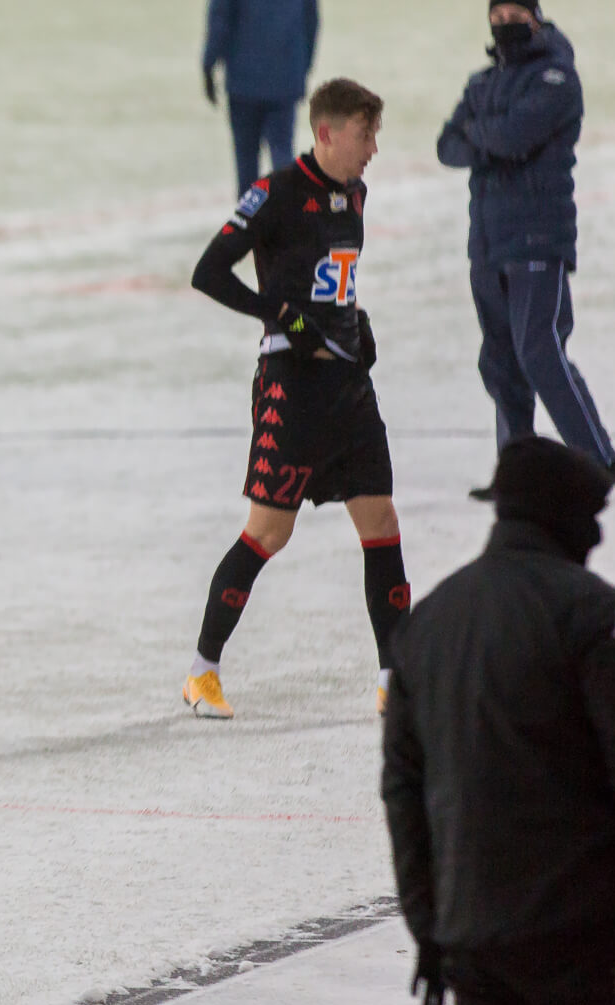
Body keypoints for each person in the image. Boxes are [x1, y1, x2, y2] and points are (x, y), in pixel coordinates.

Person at [381, 436, 615, 1005]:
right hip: (578, 932)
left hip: (473, 937)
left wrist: (429, 924)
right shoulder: (593, 612)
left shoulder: (427, 624)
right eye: (592, 518)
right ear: (562, 518)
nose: (598, 537)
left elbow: (403, 787)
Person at [182, 78, 409, 719]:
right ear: (327, 132)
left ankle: (397, 677)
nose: (372, 150)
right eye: (365, 136)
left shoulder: (355, 194)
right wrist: (281, 317)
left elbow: (334, 277)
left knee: (381, 522)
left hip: (349, 386)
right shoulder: (275, 194)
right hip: (291, 384)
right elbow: (208, 272)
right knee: (268, 532)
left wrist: (353, 321)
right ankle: (202, 672)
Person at [438, 1, 615, 500]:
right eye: (495, 18)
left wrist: (482, 134)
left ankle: (599, 460)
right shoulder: (483, 81)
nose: (504, 25)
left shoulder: (556, 79)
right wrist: (490, 138)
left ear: (537, 19)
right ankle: (515, 474)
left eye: (514, 15)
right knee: (500, 359)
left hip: (538, 236)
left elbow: (510, 136)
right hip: (487, 240)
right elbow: (446, 145)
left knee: (539, 351)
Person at [200, 0, 321, 195]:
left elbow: (220, 20)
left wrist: (208, 64)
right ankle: (287, 217)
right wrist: (301, 67)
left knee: (246, 161)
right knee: (282, 152)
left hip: (244, 79)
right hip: (284, 76)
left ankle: (249, 220)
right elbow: (311, 21)